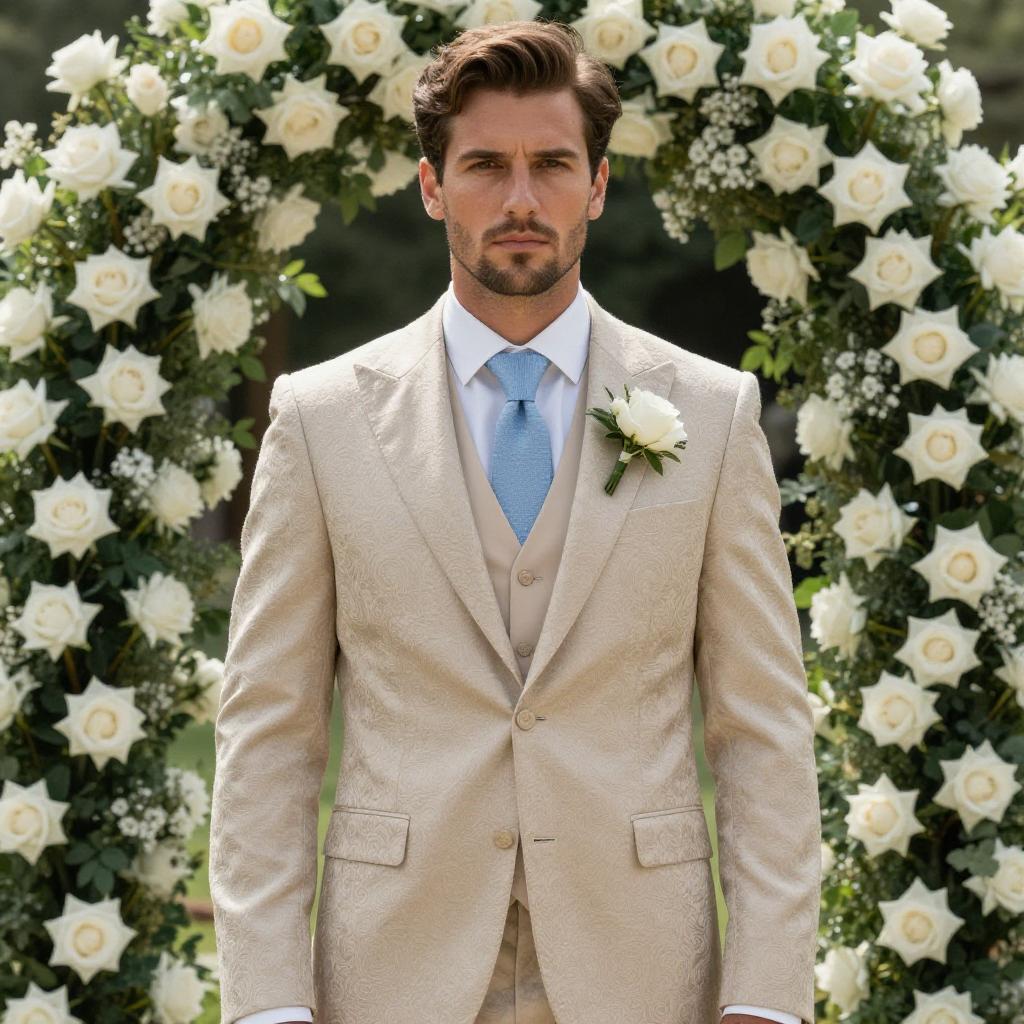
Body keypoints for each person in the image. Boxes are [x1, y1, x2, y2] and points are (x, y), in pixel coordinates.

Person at [208, 19, 822, 1024]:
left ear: (598, 186)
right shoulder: (319, 421)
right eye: (486, 164)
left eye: (552, 164)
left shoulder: (711, 416)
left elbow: (760, 728)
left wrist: (766, 999)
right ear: (431, 186)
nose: (522, 198)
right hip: (390, 977)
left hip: (644, 978)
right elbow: (270, 733)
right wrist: (268, 1005)